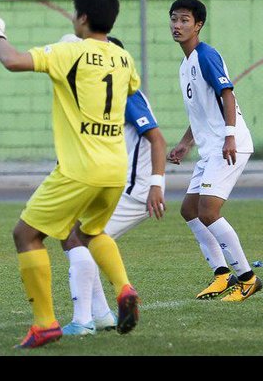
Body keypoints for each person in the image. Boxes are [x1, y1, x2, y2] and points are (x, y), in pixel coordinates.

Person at [0, 0, 141, 349]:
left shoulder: (70, 51)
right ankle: (124, 287)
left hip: (80, 168)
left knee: (26, 234)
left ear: (82, 18)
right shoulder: (123, 59)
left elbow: (11, 60)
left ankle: (45, 323)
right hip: (115, 168)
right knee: (92, 231)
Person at [60, 35, 167, 336]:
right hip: (118, 184)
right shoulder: (102, 94)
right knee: (75, 235)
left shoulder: (126, 93)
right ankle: (102, 314)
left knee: (76, 237)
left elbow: (156, 138)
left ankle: (84, 320)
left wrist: (156, 185)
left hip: (136, 191)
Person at [166, 0, 261, 302]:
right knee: (189, 211)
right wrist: (185, 142)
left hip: (228, 147)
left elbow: (227, 94)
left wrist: (230, 137)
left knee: (208, 211)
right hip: (211, 149)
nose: (177, 25)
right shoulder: (185, 64)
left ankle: (247, 278)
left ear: (198, 25)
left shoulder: (206, 55)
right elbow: (202, 112)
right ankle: (222, 275)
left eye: (184, 20)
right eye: (174, 19)